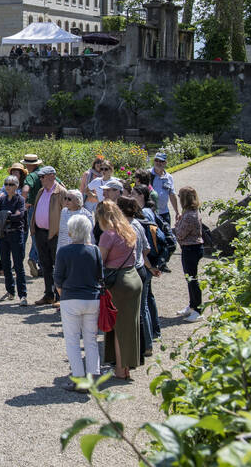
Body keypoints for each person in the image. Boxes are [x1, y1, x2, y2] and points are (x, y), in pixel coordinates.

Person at [54, 214, 103, 390]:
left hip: (71, 298)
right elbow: (100, 276)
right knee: (91, 339)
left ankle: (79, 379)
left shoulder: (64, 251)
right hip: (92, 298)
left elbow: (58, 278)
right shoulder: (95, 250)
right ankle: (92, 377)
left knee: (72, 340)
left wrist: (63, 295)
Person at [96, 200, 142, 380]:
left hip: (119, 282)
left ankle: (121, 370)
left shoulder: (108, 235)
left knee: (119, 329)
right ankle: (127, 366)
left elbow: (100, 260)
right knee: (131, 327)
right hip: (134, 278)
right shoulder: (129, 230)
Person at [119, 195, 160, 357]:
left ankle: (137, 345)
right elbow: (146, 249)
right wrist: (149, 267)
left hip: (131, 270)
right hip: (142, 268)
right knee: (143, 308)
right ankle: (148, 344)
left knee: (132, 311)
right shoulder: (138, 224)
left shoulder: (124, 227)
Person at [32, 166, 67, 306]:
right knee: (45, 265)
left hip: (55, 234)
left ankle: (60, 297)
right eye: (40, 177)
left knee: (57, 265)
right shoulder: (41, 191)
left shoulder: (61, 192)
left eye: (43, 177)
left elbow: (65, 213)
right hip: (41, 232)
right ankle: (48, 294)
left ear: (51, 176)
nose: (40, 179)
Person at [172, 186, 205, 322]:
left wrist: (177, 224)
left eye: (180, 196)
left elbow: (179, 234)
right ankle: (192, 306)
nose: (178, 199)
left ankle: (198, 310)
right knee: (190, 279)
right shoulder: (191, 212)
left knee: (192, 280)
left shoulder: (189, 215)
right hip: (191, 248)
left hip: (191, 249)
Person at [0, 175, 28, 305]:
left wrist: (6, 216)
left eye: (11, 184)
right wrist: (8, 216)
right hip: (3, 235)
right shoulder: (2, 200)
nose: (8, 186)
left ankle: (23, 295)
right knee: (5, 264)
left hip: (16, 234)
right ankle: (10, 291)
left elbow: (19, 216)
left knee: (18, 265)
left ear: (16, 186)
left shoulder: (20, 199)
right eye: (6, 184)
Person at [20, 153, 43, 277]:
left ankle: (37, 260)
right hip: (47, 209)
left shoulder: (32, 176)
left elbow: (25, 190)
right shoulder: (46, 173)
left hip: (33, 208)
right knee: (42, 235)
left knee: (34, 235)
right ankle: (35, 259)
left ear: (28, 165)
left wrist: (23, 203)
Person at [149, 151, 180, 223]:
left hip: (164, 212)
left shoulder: (169, 177)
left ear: (165, 163)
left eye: (161, 161)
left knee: (167, 233)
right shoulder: (147, 174)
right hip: (150, 213)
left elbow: (172, 195)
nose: (158, 163)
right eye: (156, 160)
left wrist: (177, 212)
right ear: (154, 161)